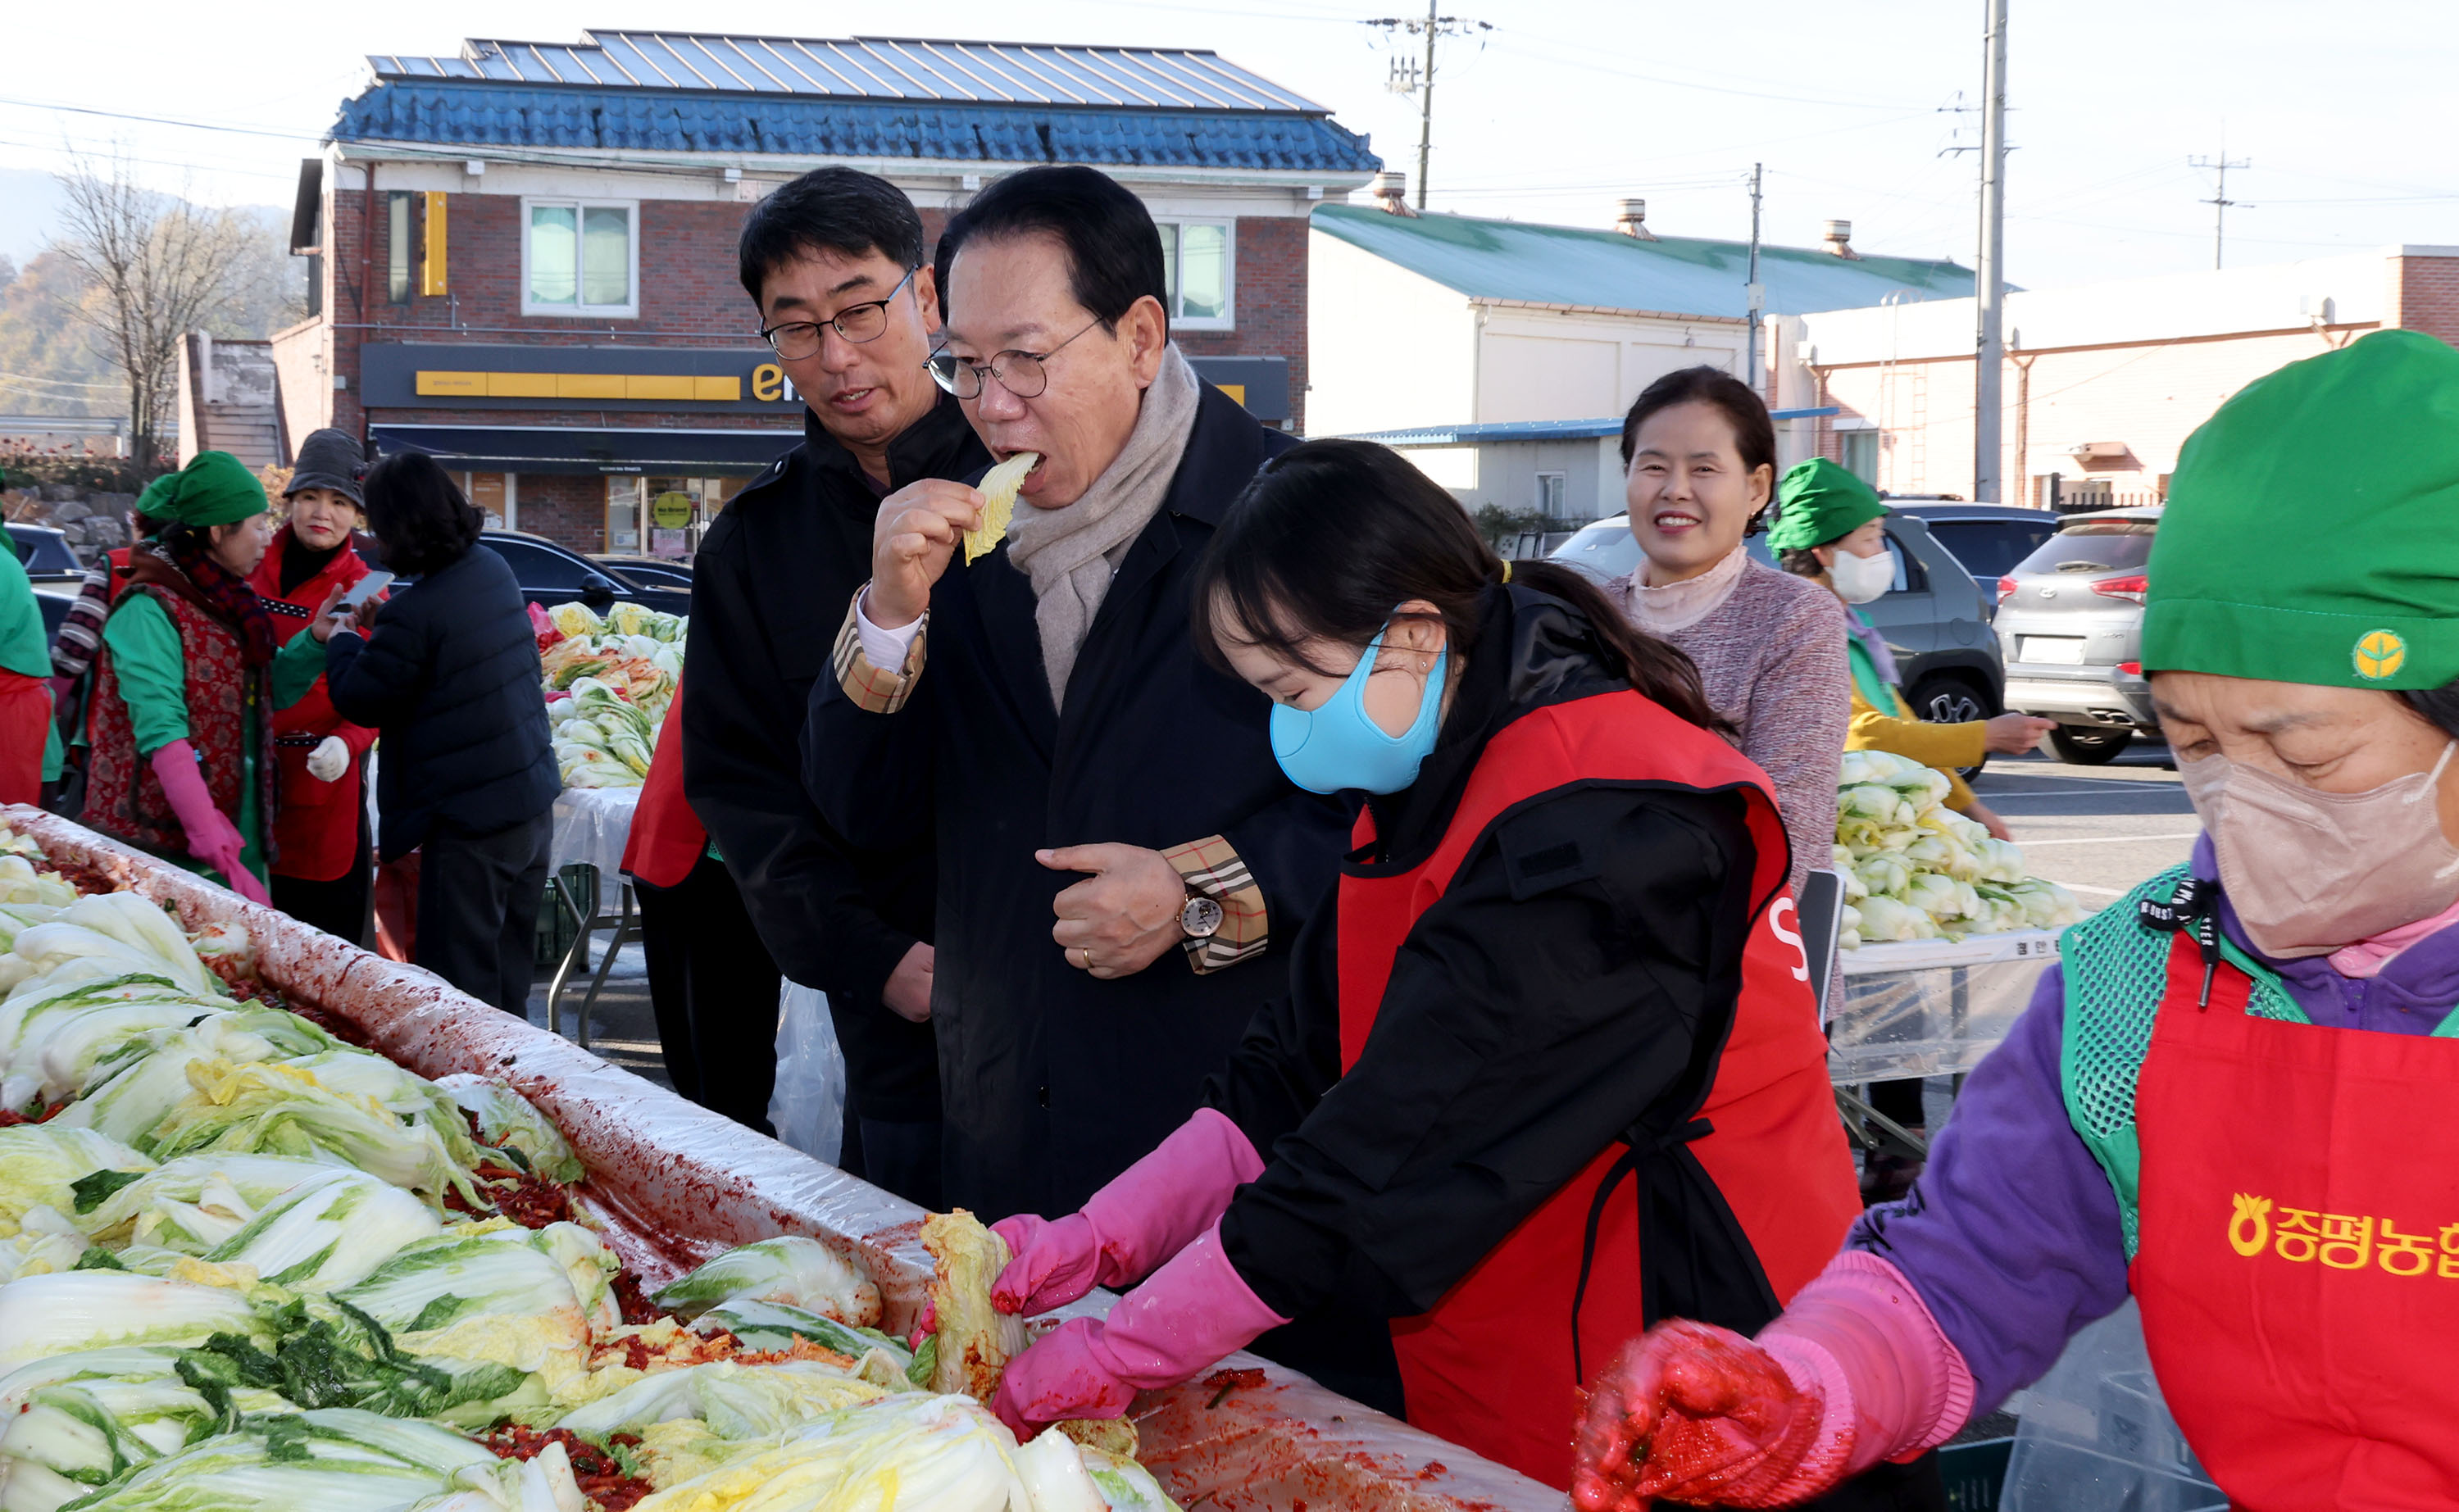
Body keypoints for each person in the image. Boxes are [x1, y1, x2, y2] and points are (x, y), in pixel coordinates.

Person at [1570, 328, 2459, 1510]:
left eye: (2305, 747)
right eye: (2194, 745)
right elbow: (1966, 1270)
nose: (2243, 808)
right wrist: (1799, 1391)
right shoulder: (2147, 979)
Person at [981, 440, 1911, 1501]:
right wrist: (1100, 1239)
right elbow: (1287, 1073)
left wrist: (1122, 1352)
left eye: (1293, 688)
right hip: (1529, 1324)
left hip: (1703, 1334)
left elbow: (1371, 1152)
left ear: (1414, 638)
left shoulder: (1601, 838)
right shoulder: (1434, 760)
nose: (1285, 730)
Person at [808, 164, 1350, 1222]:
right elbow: (857, 815)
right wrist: (884, 616)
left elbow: (1396, 822)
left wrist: (1201, 894)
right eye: (964, 365)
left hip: (1236, 1144)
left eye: (1025, 360)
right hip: (1006, 1133)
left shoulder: (1303, 522)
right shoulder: (945, 530)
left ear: (1141, 338)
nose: (993, 405)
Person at [683, 167, 971, 1195]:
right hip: (902, 1017)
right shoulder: (755, 548)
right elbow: (741, 792)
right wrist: (869, 956)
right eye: (797, 328)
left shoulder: (1042, 482)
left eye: (860, 310)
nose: (837, 357)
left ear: (928, 299)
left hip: (1093, 981)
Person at [320, 452, 558, 1013]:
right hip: (529, 807)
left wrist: (341, 638)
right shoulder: (490, 567)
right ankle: (523, 1092)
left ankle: (476, 1099)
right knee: (508, 983)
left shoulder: (418, 611)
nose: (372, 538)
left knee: (465, 998)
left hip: (471, 827)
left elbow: (361, 695)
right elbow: (444, 647)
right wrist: (386, 623)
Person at [1601, 366, 1849, 896]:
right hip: (1574, 958)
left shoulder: (1795, 617)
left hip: (1734, 959)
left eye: (1705, 468)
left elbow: (1787, 833)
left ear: (1757, 487)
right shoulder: (1581, 616)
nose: (1675, 489)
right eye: (1653, 466)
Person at [81, 452, 341, 901]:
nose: (267, 539)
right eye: (258, 525)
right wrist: (211, 839)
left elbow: (262, 690)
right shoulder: (149, 609)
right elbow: (162, 733)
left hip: (235, 827)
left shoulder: (231, 602)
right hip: (161, 848)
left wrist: (314, 641)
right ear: (220, 532)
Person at [1768, 459, 2052, 843]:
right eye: (1870, 538)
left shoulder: (1852, 627)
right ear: (1825, 551)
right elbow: (1861, 736)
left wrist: (1968, 806)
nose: (1882, 551)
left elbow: (1899, 722)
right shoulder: (1800, 628)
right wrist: (1985, 735)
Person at [624, 672, 784, 1134]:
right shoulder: (772, 628)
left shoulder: (738, 622)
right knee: (728, 1082)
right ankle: (732, 1187)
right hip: (708, 858)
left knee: (703, 1072)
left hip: (680, 848)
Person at [248, 428, 379, 944]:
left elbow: (375, 693)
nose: (321, 512)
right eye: (308, 497)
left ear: (356, 514)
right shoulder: (247, 565)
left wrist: (345, 745)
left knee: (322, 947)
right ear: (290, 501)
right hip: (244, 784)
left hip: (320, 787)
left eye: (338, 501)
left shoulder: (364, 587)